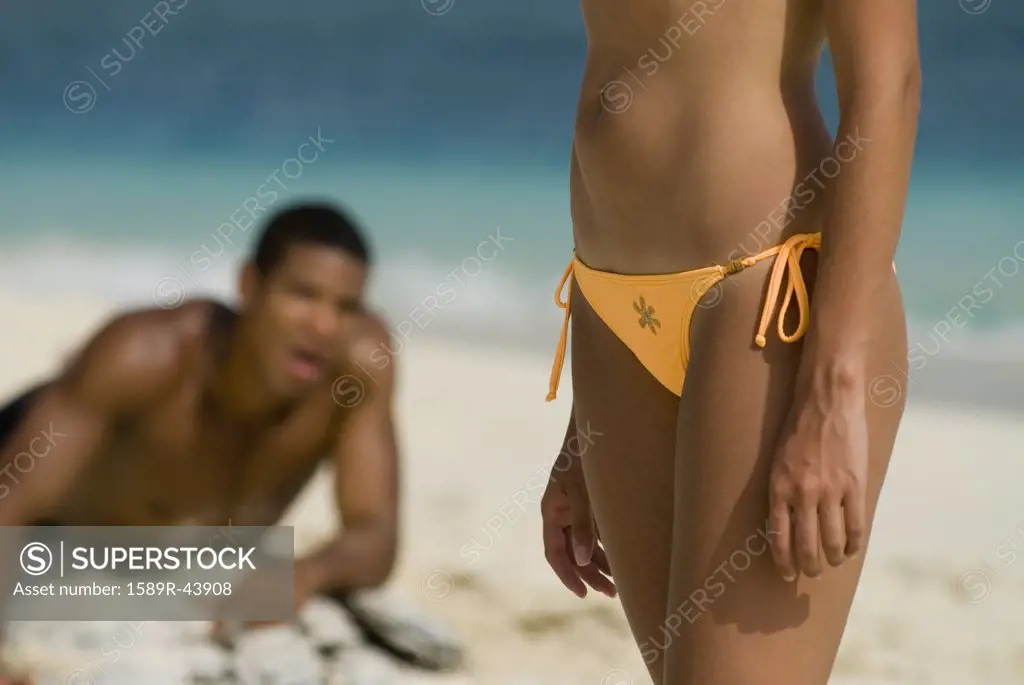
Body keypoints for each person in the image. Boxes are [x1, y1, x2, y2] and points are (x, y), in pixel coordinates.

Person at [540, 2, 919, 684]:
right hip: (609, 308)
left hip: (771, 298)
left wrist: (831, 393)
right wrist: (582, 433)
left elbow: (888, 84)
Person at [0, 202, 457, 684]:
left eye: (345, 307)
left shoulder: (359, 370)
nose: (323, 325)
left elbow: (376, 538)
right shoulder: (148, 355)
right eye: (303, 295)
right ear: (249, 286)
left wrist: (305, 574)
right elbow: (10, 505)